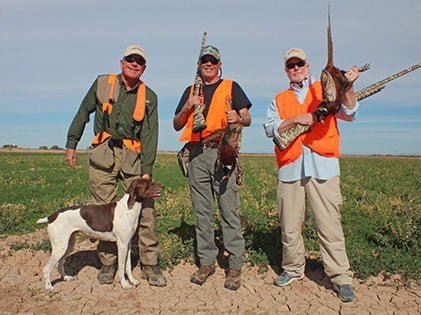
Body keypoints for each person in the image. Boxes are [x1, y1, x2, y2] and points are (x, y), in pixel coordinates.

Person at [263, 48, 360, 302]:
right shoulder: (279, 99)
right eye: (291, 65)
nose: (295, 69)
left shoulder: (325, 89)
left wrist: (346, 86)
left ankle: (340, 277)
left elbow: (349, 113)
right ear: (286, 70)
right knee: (290, 225)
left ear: (308, 66)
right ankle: (293, 269)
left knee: (329, 225)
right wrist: (298, 118)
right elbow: (270, 128)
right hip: (290, 167)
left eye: (300, 64)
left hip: (323, 165)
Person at [65, 44, 166, 287]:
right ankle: (108, 263)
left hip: (133, 158)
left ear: (144, 68)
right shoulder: (102, 83)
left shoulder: (150, 96)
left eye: (139, 61)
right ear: (122, 62)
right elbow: (83, 111)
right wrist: (72, 143)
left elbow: (151, 134)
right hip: (103, 154)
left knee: (146, 211)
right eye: (130, 59)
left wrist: (147, 170)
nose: (134, 63)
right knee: (103, 209)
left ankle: (149, 264)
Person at [173, 45, 252, 291]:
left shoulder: (232, 86)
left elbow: (247, 118)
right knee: (202, 212)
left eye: (213, 60)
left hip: (223, 152)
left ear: (220, 64)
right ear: (199, 64)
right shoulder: (191, 91)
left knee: (228, 210)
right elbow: (177, 124)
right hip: (196, 154)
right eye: (204, 60)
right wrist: (188, 106)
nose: (208, 63)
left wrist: (237, 119)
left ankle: (235, 265)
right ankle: (207, 262)